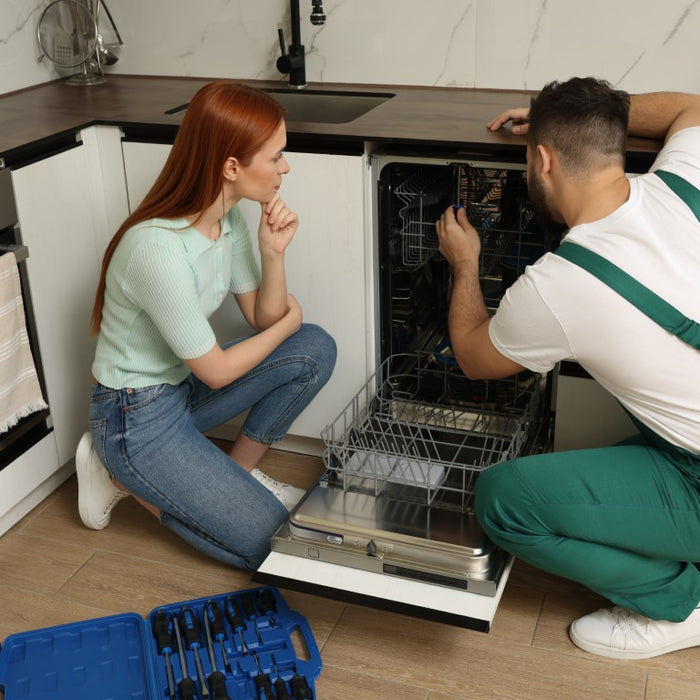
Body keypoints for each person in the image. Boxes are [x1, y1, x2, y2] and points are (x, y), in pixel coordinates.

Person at [435, 77, 700, 660]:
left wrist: (465, 263)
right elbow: (691, 106)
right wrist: (582, 120)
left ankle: (683, 603)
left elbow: (476, 359)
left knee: (503, 500)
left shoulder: (562, 284)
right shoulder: (686, 179)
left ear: (543, 159)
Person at [75, 80, 337, 571]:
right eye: (276, 156)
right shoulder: (156, 248)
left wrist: (272, 252)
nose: (285, 167)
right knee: (270, 544)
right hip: (134, 418)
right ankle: (115, 475)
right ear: (232, 167)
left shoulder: (230, 218)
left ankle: (235, 475)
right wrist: (288, 323)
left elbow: (264, 317)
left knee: (315, 347)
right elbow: (219, 370)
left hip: (180, 389)